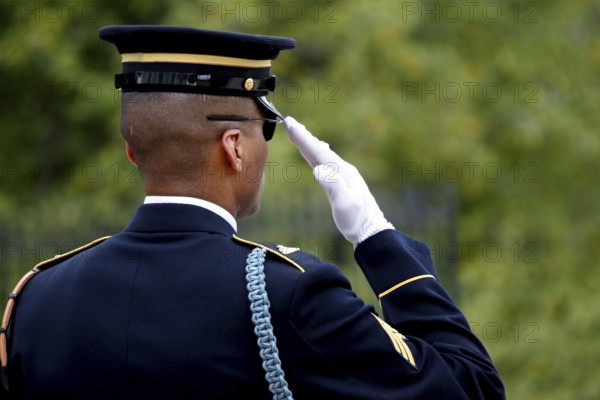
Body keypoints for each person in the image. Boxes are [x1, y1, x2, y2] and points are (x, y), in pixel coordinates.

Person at [0, 25, 505, 399]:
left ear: (132, 151)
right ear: (235, 148)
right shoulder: (289, 295)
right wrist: (379, 239)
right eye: (265, 132)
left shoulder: (35, 300)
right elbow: (471, 387)